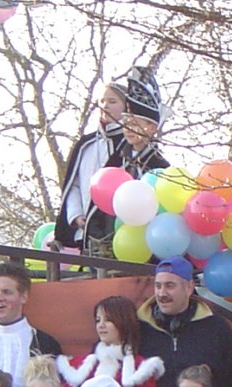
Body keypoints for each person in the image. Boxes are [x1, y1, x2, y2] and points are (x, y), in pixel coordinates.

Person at [54, 67, 168, 256]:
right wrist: (76, 215)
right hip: (96, 236)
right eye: (102, 101)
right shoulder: (91, 146)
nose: (105, 106)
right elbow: (76, 186)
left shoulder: (154, 162)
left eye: (112, 101)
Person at [137, 257, 232, 387]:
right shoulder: (139, 329)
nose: (162, 293)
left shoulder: (216, 329)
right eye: (158, 286)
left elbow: (231, 384)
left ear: (189, 288)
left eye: (170, 285)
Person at [59, 295, 165, 387]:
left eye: (108, 320)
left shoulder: (139, 370)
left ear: (124, 322)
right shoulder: (80, 367)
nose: (101, 325)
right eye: (98, 320)